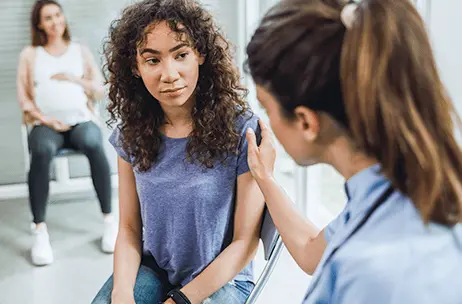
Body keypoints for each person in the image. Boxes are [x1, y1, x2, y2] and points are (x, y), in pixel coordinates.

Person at [245, 0, 462, 303]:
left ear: (306, 121)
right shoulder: (397, 185)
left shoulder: (381, 274)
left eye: (268, 108)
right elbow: (311, 250)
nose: (267, 121)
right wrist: (264, 177)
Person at [92, 0, 265, 303]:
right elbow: (130, 229)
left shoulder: (242, 129)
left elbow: (245, 242)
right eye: (152, 60)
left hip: (223, 279)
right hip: (155, 270)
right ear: (135, 67)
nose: (169, 74)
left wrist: (180, 301)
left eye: (181, 55)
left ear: (199, 53)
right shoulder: (131, 135)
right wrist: (121, 293)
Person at [16, 0, 116, 266]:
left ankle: (109, 221)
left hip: (80, 121)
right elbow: (24, 98)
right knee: (41, 149)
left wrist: (73, 79)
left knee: (94, 143)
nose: (55, 21)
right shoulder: (30, 54)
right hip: (46, 125)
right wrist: (45, 118)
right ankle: (40, 231)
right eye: (48, 18)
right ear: (39, 24)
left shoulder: (79, 51)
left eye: (58, 15)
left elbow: (98, 88)